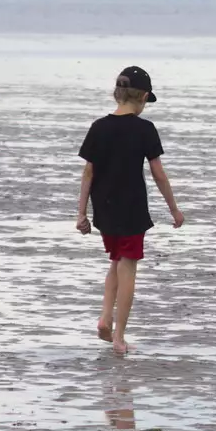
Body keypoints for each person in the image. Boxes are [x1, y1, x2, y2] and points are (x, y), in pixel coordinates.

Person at [75, 66, 185, 356]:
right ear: (144, 97)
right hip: (132, 207)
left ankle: (104, 318)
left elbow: (88, 173)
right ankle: (119, 336)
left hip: (103, 207)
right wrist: (174, 210)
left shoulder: (99, 127)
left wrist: (81, 213)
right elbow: (159, 175)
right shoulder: (145, 129)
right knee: (128, 267)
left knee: (115, 261)